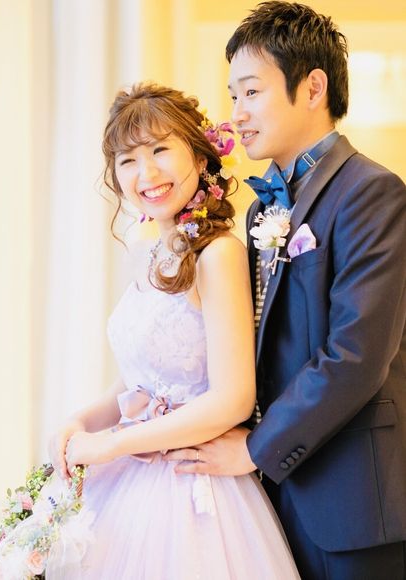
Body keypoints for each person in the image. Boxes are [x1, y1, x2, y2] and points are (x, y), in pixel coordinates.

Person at [165, 3, 406, 579]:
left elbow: (355, 356)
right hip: (270, 499)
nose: (237, 114)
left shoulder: (372, 193)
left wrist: (256, 448)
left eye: (251, 92)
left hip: (350, 500)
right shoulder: (262, 211)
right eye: (233, 96)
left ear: (313, 87)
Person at [39, 82, 299, 579]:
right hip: (134, 479)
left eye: (160, 150)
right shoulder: (150, 253)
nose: (147, 173)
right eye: (128, 160)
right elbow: (138, 380)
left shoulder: (217, 254)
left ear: (200, 159)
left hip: (192, 489)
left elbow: (232, 399)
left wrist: (114, 445)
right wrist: (80, 423)